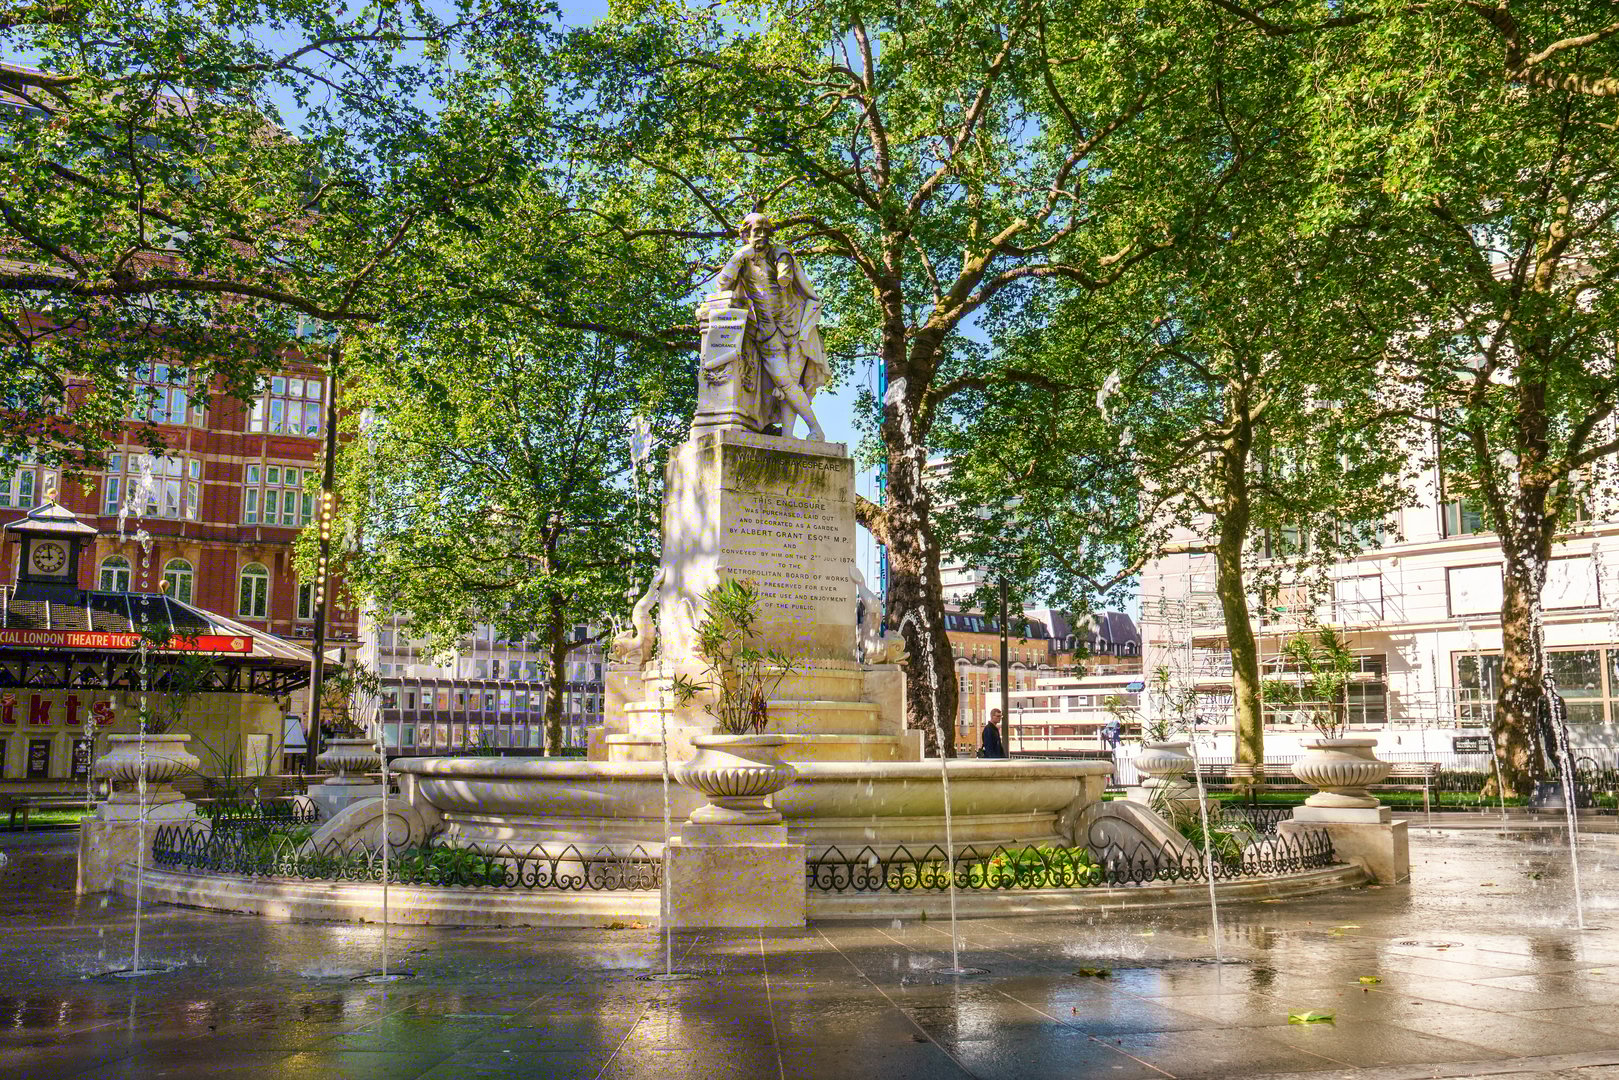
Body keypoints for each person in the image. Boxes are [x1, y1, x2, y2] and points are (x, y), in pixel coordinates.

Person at [708, 213, 829, 440]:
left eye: (765, 231)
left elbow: (788, 272)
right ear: (745, 234)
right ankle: (816, 429)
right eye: (756, 231)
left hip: (795, 328)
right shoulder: (742, 258)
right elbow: (722, 284)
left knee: (789, 386)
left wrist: (785, 266)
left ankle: (787, 435)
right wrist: (740, 255)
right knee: (785, 382)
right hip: (767, 331)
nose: (762, 236)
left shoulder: (779, 252)